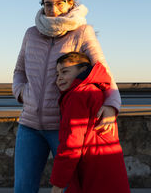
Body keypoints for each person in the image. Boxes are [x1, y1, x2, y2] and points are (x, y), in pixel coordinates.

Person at [12, 0, 121, 193]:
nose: (53, 9)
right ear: (42, 6)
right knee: (23, 188)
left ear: (70, 3)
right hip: (29, 126)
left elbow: (102, 70)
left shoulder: (82, 32)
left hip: (62, 127)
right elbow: (19, 71)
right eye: (48, 4)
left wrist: (111, 104)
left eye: (60, 3)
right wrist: (22, 93)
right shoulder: (31, 34)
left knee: (71, 188)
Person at [50, 52, 130, 193]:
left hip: (92, 167)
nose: (59, 78)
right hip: (108, 163)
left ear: (83, 70)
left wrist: (58, 184)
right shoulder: (95, 91)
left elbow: (71, 144)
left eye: (65, 71)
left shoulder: (78, 95)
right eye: (57, 74)